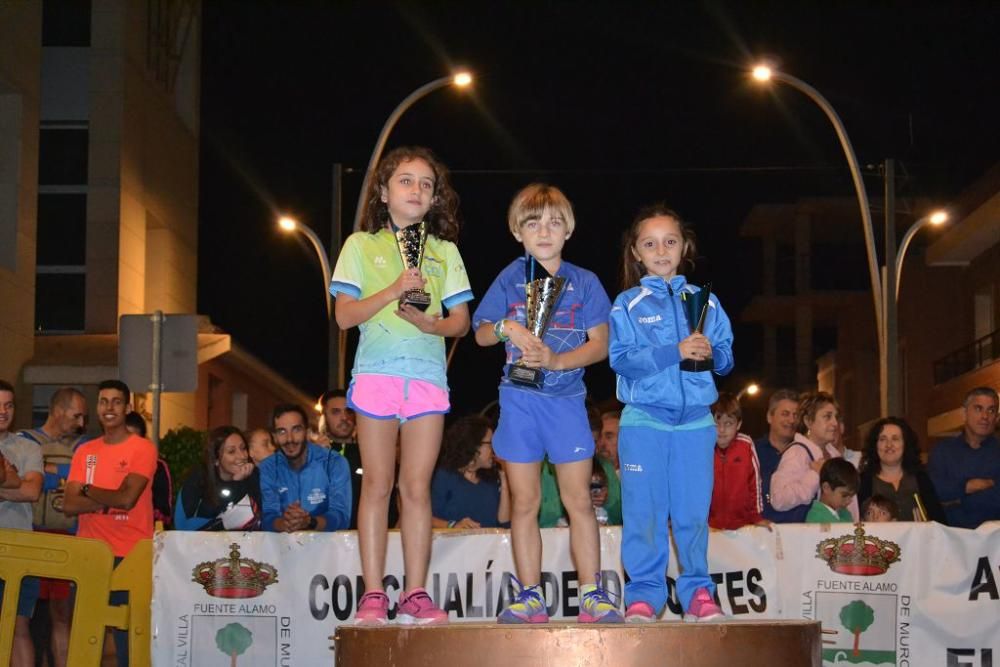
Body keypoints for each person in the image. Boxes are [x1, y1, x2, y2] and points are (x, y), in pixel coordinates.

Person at [330, 146, 473, 626]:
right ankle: (373, 593)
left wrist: (431, 325)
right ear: (385, 191)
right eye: (406, 181)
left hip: (427, 380)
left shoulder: (445, 252)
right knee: (377, 483)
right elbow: (344, 316)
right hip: (376, 377)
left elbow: (461, 323)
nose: (416, 190)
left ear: (435, 199)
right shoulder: (360, 246)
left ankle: (415, 592)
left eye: (426, 184)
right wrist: (392, 291)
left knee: (416, 487)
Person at [473, 183, 620, 625]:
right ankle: (530, 595)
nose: (544, 231)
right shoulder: (508, 278)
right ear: (518, 231)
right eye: (533, 222)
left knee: (579, 501)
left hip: (567, 404)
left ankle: (593, 594)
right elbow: (479, 333)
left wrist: (556, 360)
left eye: (555, 222)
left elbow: (601, 346)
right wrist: (506, 328)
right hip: (518, 402)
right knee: (524, 503)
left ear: (568, 230)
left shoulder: (585, 282)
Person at [609, 204, 734, 624]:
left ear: (685, 247)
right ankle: (644, 596)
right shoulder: (627, 304)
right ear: (636, 253)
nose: (661, 250)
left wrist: (712, 354)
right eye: (650, 243)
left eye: (670, 241)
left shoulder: (706, 301)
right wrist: (675, 351)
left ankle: (699, 593)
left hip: (696, 423)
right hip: (643, 421)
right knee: (644, 513)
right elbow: (622, 360)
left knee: (692, 515)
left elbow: (727, 360)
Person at [63, 380, 157, 667]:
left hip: (129, 556)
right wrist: (110, 497)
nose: (109, 407)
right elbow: (69, 504)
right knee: (85, 637)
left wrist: (88, 490)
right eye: (104, 401)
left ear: (127, 408)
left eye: (116, 401)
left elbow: (128, 499)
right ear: (97, 408)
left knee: (128, 642)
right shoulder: (85, 451)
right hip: (89, 556)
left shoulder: (142, 449)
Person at [17, 386, 86, 667]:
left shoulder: (86, 447)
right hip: (30, 535)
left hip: (68, 538)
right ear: (58, 412)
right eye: (76, 416)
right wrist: (65, 477)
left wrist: (47, 471)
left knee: (62, 614)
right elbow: (17, 474)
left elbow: (89, 475)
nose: (82, 423)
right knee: (23, 615)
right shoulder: (23, 440)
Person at [0, 380, 44, 667]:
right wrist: (14, 480)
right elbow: (21, 487)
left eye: (8, 405)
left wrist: (9, 481)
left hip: (20, 549)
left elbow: (31, 492)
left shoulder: (28, 448)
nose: (3, 411)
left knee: (18, 626)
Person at [258, 404, 351, 533]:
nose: (290, 439)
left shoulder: (334, 462)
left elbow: (341, 517)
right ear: (274, 437)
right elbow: (267, 516)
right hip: (282, 549)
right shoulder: (268, 467)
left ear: (307, 433)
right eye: (282, 431)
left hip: (328, 550)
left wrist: (309, 522)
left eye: (296, 430)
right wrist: (284, 523)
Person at [770, 391, 858, 522]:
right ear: (808, 421)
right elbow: (778, 499)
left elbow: (849, 502)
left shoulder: (834, 455)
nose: (835, 423)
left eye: (836, 417)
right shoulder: (797, 453)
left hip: (834, 537)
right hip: (806, 537)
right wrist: (814, 476)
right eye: (827, 417)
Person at [928, 386, 1000, 528]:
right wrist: (970, 486)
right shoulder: (943, 451)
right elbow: (933, 494)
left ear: (997, 417)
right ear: (964, 413)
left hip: (996, 543)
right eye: (978, 409)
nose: (985, 416)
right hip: (950, 541)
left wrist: (958, 500)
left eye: (991, 410)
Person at [857, 417, 945, 522]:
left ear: (905, 444)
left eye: (895, 439)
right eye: (882, 439)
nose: (889, 445)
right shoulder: (864, 481)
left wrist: (924, 528)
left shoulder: (921, 478)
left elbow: (940, 523)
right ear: (875, 445)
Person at [174, 426, 261, 531]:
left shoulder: (254, 476)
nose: (242, 456)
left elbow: (263, 516)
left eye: (243, 448)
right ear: (216, 459)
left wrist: (239, 482)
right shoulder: (199, 478)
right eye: (231, 451)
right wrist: (236, 484)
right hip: (203, 544)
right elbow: (182, 525)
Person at [431, 415, 510, 529]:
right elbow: (426, 518)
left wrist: (504, 478)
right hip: (454, 545)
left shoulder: (492, 479)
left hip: (488, 546)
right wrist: (453, 525)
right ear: (474, 445)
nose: (494, 449)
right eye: (490, 444)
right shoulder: (444, 476)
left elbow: (504, 524)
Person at [708, 392, 766, 531]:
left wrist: (757, 517)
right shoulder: (702, 448)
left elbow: (755, 483)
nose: (721, 430)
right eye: (716, 424)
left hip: (742, 527)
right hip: (709, 527)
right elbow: (692, 487)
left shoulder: (746, 445)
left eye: (728, 423)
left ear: (738, 424)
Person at [319, 389, 364, 529]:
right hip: (322, 541)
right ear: (324, 416)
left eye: (349, 411)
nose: (344, 417)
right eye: (336, 412)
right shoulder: (313, 455)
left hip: (363, 539)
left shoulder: (368, 454)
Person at [752, 389, 800, 522]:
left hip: (799, 533)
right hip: (760, 532)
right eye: (785, 414)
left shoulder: (803, 453)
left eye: (796, 415)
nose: (791, 420)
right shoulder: (752, 452)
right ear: (769, 417)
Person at [124, 412, 174, 529]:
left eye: (135, 441)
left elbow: (164, 512)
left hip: (144, 536)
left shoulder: (157, 467)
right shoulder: (106, 463)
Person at [805, 458, 858, 523]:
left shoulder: (844, 512)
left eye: (851, 496)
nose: (849, 501)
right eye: (844, 495)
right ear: (826, 488)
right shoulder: (816, 517)